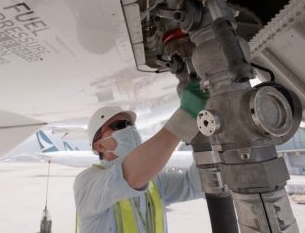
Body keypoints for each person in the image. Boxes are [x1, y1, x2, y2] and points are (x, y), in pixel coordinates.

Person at [74, 80, 207, 232]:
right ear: (99, 145)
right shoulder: (86, 182)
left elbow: (193, 185)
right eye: (120, 126)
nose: (130, 129)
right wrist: (186, 116)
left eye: (131, 125)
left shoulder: (154, 180)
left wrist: (209, 135)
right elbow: (130, 176)